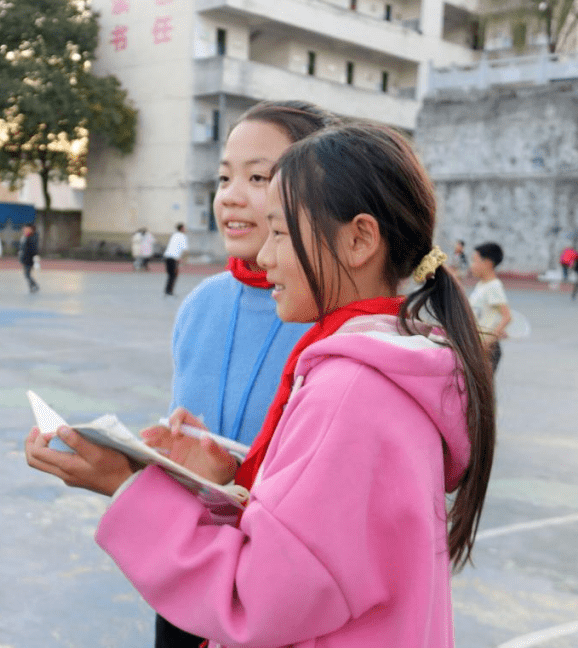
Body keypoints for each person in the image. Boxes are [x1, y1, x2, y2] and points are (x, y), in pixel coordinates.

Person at [26, 122, 496, 648]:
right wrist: (224, 479)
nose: (265, 256)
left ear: (359, 239)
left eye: (278, 232)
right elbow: (316, 557)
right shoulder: (387, 365)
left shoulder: (352, 390)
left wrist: (127, 487)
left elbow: (259, 599)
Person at [156, 100, 331, 648]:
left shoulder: (335, 323)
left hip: (279, 596)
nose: (231, 195)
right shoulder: (201, 305)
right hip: (190, 571)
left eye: (259, 178)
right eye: (225, 176)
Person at [468, 241, 512, 373]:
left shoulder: (493, 286)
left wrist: (487, 342)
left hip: (487, 349)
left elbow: (507, 316)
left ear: (487, 263)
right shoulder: (482, 285)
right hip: (477, 346)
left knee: (482, 391)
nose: (472, 266)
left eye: (474, 261)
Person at [162, 223, 188, 296]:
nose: (185, 229)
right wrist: (184, 260)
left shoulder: (174, 235)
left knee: (170, 275)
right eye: (184, 228)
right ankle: (169, 291)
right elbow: (184, 249)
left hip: (167, 256)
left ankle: (167, 290)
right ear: (181, 229)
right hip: (174, 258)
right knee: (174, 275)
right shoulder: (183, 236)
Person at [19, 222, 40, 293]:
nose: (25, 229)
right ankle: (32, 286)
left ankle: (34, 285)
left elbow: (33, 249)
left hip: (29, 259)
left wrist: (35, 258)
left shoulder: (32, 237)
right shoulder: (25, 237)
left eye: (27, 228)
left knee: (27, 274)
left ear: (31, 229)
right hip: (25, 258)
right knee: (27, 274)